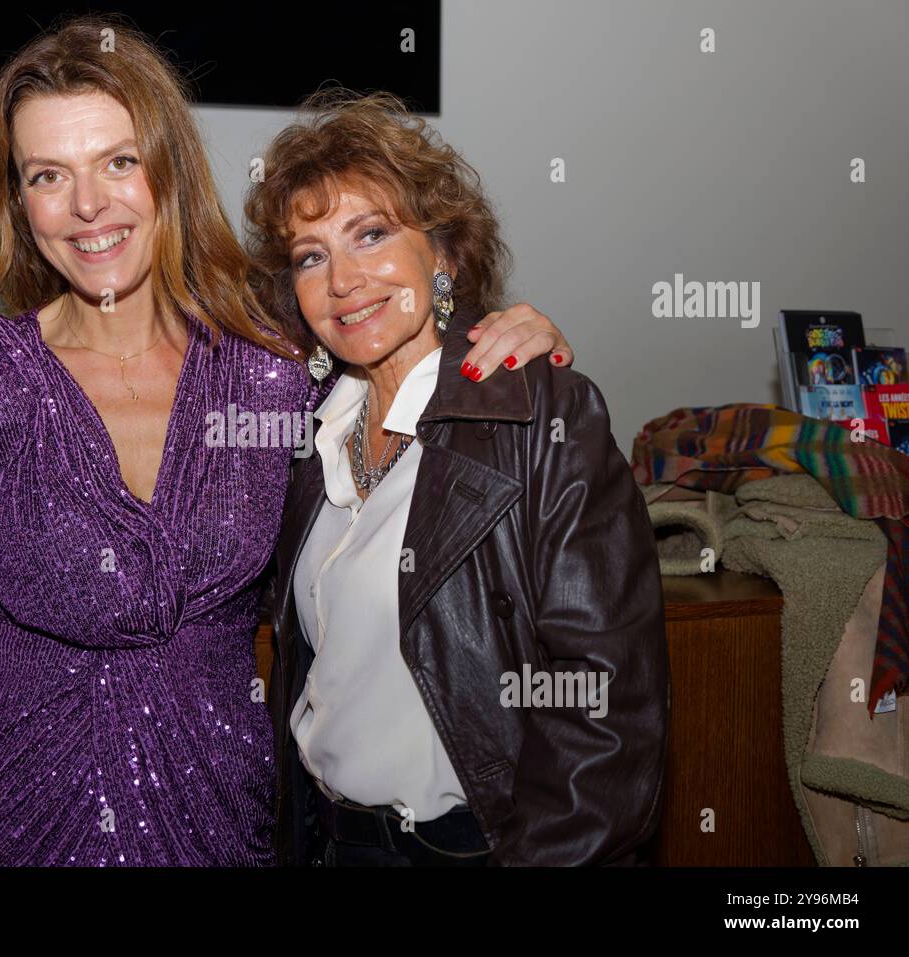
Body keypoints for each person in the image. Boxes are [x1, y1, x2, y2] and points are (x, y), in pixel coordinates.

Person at [0, 16, 574, 866]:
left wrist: (502, 334)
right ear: (20, 201)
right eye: (50, 174)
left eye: (120, 161)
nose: (89, 205)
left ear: (169, 170)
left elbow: (388, 320)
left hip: (214, 821)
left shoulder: (275, 369)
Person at [245, 90, 670, 866]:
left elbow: (605, 709)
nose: (343, 279)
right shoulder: (304, 438)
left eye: (371, 233)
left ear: (441, 254)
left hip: (481, 850)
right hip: (332, 842)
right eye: (311, 255)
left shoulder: (542, 412)